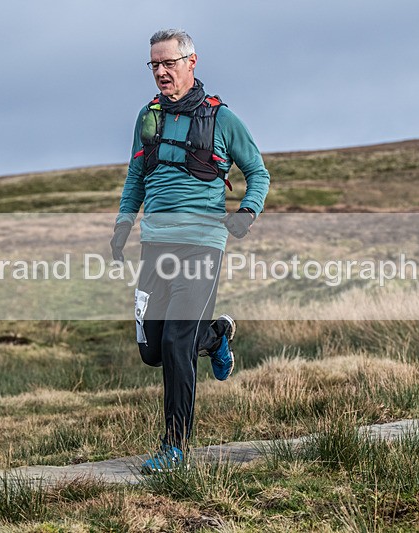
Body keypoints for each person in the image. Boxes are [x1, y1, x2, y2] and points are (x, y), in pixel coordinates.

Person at [110, 28, 270, 473]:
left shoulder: (222, 118)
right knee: (153, 349)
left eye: (169, 63)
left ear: (191, 62)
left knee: (178, 343)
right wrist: (124, 224)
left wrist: (246, 213)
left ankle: (174, 448)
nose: (161, 72)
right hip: (156, 244)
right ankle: (216, 335)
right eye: (154, 65)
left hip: (202, 243)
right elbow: (135, 178)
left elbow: (258, 172)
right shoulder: (148, 117)